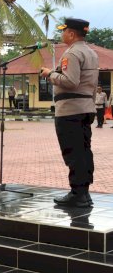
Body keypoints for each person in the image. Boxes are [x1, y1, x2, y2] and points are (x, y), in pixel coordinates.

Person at [40, 18, 99, 208]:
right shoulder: (91, 52)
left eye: (63, 31)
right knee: (83, 152)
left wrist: (50, 74)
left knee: (73, 152)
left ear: (71, 34)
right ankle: (83, 193)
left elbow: (71, 81)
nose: (61, 34)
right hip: (84, 108)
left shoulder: (72, 53)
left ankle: (78, 194)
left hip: (70, 111)